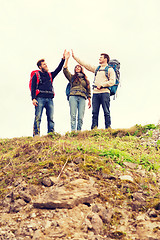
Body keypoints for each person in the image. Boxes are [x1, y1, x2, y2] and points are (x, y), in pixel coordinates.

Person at [71, 50, 115, 129]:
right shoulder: (97, 69)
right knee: (94, 112)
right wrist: (75, 57)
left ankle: (108, 128)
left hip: (105, 92)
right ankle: (94, 128)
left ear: (105, 59)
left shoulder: (110, 69)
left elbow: (112, 81)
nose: (99, 59)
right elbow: (85, 65)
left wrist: (102, 85)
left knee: (106, 111)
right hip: (95, 93)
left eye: (101, 57)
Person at [31, 50, 66, 136]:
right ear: (40, 67)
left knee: (50, 118)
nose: (46, 65)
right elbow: (33, 87)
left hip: (50, 99)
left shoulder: (50, 75)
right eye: (44, 65)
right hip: (40, 98)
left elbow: (58, 69)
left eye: (46, 64)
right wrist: (33, 98)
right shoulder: (36, 75)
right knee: (38, 117)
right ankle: (36, 135)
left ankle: (51, 134)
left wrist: (63, 59)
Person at [63, 51, 91, 131]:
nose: (77, 68)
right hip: (73, 96)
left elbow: (88, 91)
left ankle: (79, 132)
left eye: (79, 67)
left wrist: (89, 100)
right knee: (73, 115)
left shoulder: (86, 80)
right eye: (76, 67)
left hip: (82, 97)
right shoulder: (72, 77)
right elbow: (65, 70)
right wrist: (67, 59)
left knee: (80, 117)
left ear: (82, 69)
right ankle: (73, 132)